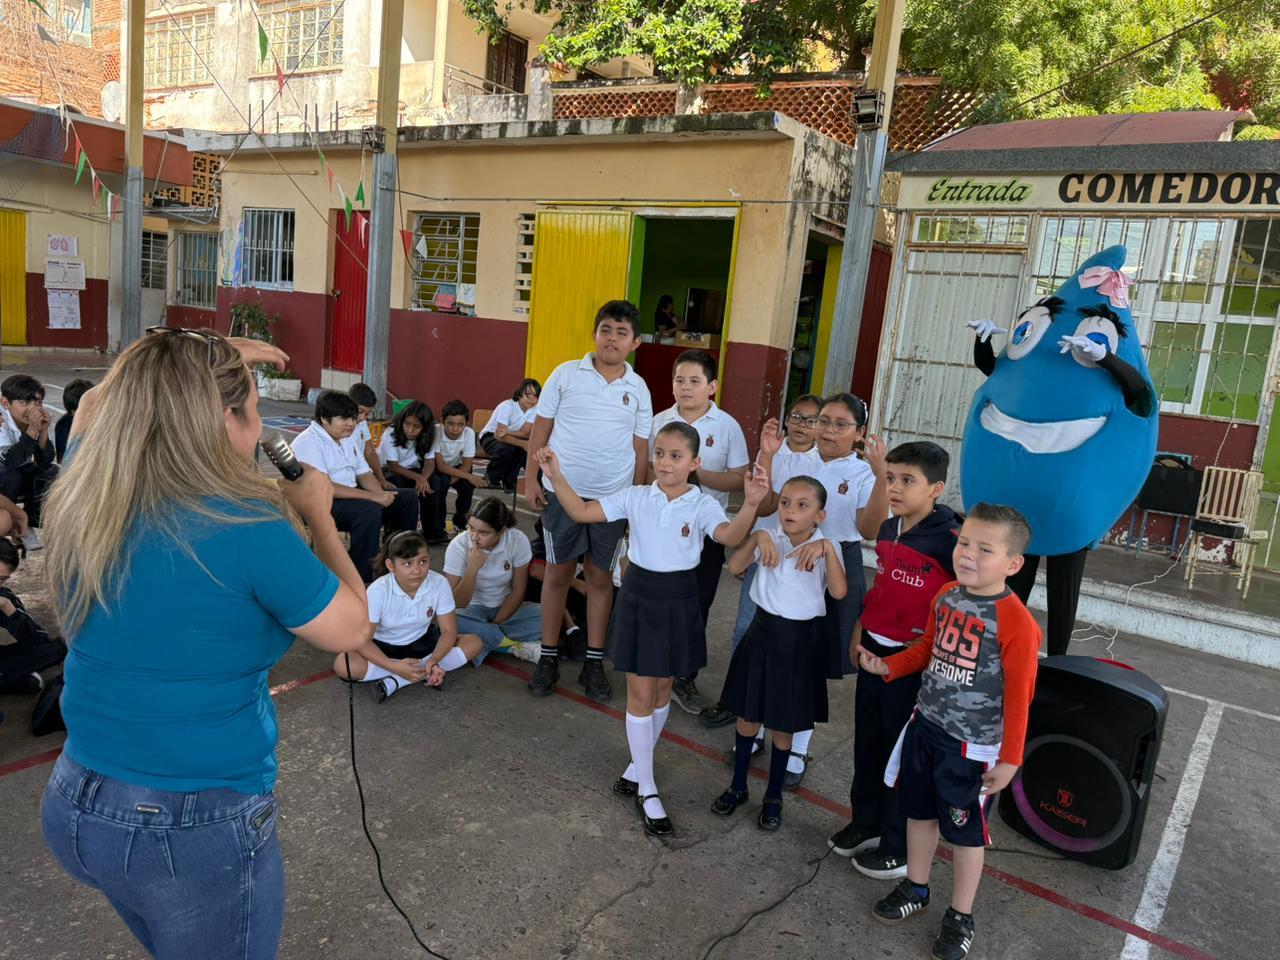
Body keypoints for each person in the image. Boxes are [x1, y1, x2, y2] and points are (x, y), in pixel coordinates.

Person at [39, 328, 368, 960]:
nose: (259, 428)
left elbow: (92, 407)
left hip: (77, 801)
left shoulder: (87, 483)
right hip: (187, 828)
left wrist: (190, 354)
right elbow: (352, 629)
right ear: (224, 421)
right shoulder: (247, 524)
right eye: (253, 411)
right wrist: (319, 515)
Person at [537, 422, 768, 837]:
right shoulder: (635, 496)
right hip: (641, 596)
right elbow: (581, 511)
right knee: (641, 692)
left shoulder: (700, 505)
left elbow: (730, 536)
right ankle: (647, 788)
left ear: (694, 463)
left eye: (675, 456)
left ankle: (635, 765)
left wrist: (750, 504)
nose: (664, 461)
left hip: (679, 599)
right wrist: (556, 476)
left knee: (661, 691)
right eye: (658, 452)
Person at [858, 503, 1041, 960]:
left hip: (971, 748)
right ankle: (915, 888)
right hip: (925, 728)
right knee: (918, 814)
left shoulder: (1017, 623)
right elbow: (925, 650)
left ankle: (960, 915)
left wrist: (1010, 759)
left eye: (984, 549)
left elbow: (1020, 697)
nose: (968, 555)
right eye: (964, 544)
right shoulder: (946, 595)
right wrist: (889, 665)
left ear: (1013, 564)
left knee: (965, 834)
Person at [828, 441, 961, 880]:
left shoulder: (950, 541)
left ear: (936, 488)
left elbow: (965, 603)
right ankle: (865, 822)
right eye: (890, 479)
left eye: (908, 481)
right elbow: (881, 588)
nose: (896, 488)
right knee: (868, 744)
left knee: (900, 756)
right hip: (872, 653)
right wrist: (860, 628)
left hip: (913, 664)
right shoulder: (888, 529)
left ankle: (896, 843)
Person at [524, 300, 653, 703]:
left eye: (622, 332)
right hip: (563, 495)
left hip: (613, 501)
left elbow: (641, 450)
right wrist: (530, 479)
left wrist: (634, 501)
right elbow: (540, 431)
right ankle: (548, 656)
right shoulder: (565, 374)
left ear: (634, 343)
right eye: (606, 330)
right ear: (595, 334)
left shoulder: (639, 388)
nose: (612, 338)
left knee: (599, 578)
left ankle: (594, 661)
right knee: (558, 574)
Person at [712, 476, 846, 831]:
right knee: (747, 716)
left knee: (783, 725)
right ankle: (738, 785)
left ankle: (773, 795)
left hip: (800, 642)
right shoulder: (769, 537)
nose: (790, 510)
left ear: (820, 515)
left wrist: (829, 550)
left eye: (803, 505)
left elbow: (839, 591)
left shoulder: (826, 546)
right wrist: (757, 537)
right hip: (763, 632)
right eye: (785, 502)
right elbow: (735, 567)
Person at [701, 393, 823, 731]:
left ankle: (780, 708)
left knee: (789, 634)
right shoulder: (773, 449)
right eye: (796, 416)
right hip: (763, 549)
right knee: (745, 626)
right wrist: (767, 455)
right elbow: (763, 503)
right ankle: (736, 699)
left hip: (799, 558)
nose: (801, 425)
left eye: (811, 420)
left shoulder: (821, 460)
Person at [647, 350, 749, 716]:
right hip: (662, 529)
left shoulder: (727, 426)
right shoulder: (660, 420)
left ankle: (683, 678)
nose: (685, 388)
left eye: (694, 381)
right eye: (679, 380)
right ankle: (653, 669)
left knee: (696, 606)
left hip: (706, 533)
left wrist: (698, 474)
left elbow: (739, 478)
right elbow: (647, 474)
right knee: (659, 599)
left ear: (712, 386)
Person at [332, 531, 483, 701]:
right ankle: (418, 672)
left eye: (423, 561)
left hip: (423, 645)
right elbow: (362, 640)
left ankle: (397, 681)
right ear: (390, 565)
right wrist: (393, 665)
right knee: (344, 664)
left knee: (474, 643)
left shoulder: (439, 583)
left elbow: (449, 631)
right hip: (384, 648)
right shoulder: (378, 591)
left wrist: (434, 659)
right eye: (407, 564)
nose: (417, 570)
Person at [291, 390, 419, 583]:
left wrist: (383, 495)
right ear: (325, 419)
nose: (352, 423)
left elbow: (364, 474)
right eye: (344, 419)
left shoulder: (346, 437)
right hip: (321, 502)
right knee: (369, 509)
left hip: (350, 496)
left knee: (407, 498)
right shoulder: (308, 442)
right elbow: (325, 486)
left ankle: (401, 557)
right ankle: (362, 574)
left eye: (352, 418)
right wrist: (373, 498)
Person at [443, 497, 543, 663]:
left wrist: (495, 624)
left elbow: (518, 591)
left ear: (502, 530)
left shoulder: (517, 540)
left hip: (505, 608)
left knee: (549, 616)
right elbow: (455, 603)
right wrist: (472, 570)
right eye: (471, 528)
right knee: (449, 621)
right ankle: (513, 646)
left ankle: (486, 637)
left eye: (483, 532)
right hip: (470, 610)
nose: (474, 537)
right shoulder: (458, 546)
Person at [0, 538, 65, 698]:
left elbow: (39, 642)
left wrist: (7, 608)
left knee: (57, 648)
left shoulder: (3, 598)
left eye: (1, 579)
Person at [0, 374, 58, 551]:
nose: (33, 408)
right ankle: (11, 523)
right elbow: (9, 460)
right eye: (25, 403)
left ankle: (29, 523)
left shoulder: (36, 419)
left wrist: (42, 432)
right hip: (5, 472)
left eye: (38, 402)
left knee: (51, 473)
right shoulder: (2, 420)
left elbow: (45, 460)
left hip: (18, 469)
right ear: (6, 403)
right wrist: (32, 429)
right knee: (11, 476)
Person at [526, 517, 588, 660]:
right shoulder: (541, 545)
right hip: (538, 599)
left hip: (564, 593)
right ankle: (570, 628)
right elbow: (535, 570)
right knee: (547, 585)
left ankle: (575, 627)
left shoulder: (573, 548)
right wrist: (576, 583)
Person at [427, 399, 486, 544]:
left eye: (460, 425)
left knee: (467, 485)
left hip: (457, 469)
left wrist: (466, 478)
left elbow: (466, 466)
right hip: (437, 469)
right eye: (450, 424)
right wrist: (467, 477)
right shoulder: (435, 432)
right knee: (438, 485)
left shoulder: (469, 433)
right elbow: (440, 465)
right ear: (442, 421)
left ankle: (460, 519)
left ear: (467, 424)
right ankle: (437, 528)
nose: (455, 429)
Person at [378, 400, 437, 530]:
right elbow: (392, 465)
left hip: (412, 470)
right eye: (407, 424)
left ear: (425, 428)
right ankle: (394, 530)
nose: (410, 430)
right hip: (388, 470)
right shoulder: (391, 432)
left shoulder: (429, 436)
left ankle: (432, 531)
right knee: (397, 483)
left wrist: (423, 479)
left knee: (432, 483)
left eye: (416, 426)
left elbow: (430, 462)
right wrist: (418, 478)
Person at [478, 378, 541, 492]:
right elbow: (498, 435)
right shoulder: (507, 406)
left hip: (512, 437)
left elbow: (525, 433)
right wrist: (522, 443)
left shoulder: (534, 409)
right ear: (520, 393)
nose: (532, 399)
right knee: (506, 449)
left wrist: (508, 432)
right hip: (490, 436)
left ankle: (509, 481)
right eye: (528, 394)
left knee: (521, 452)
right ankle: (492, 477)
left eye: (536, 396)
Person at [349, 382, 395, 492]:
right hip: (351, 478)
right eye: (360, 411)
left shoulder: (362, 423)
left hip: (363, 473)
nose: (362, 417)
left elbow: (369, 452)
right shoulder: (341, 426)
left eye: (367, 413)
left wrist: (381, 479)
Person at [55, 378, 94, 464]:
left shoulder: (107, 423)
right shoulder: (63, 424)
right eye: (75, 415)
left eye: (86, 412)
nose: (80, 418)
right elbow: (61, 461)